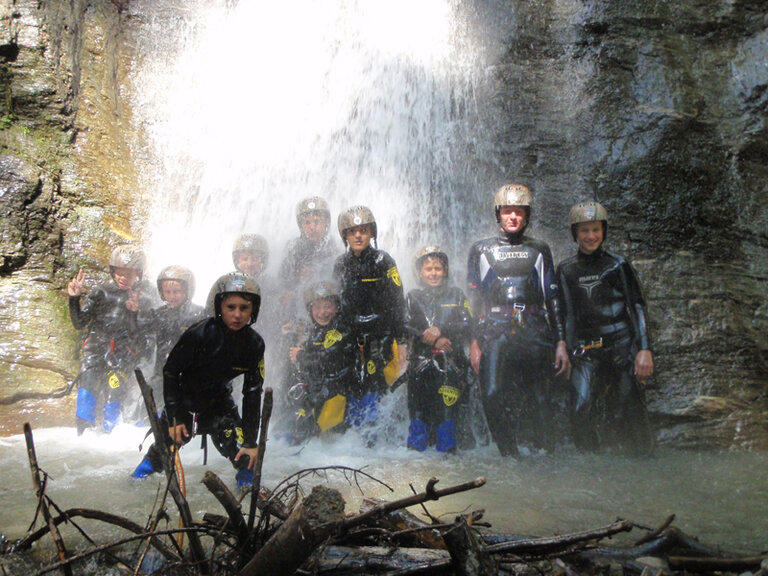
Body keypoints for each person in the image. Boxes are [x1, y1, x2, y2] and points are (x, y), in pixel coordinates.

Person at [132, 272, 265, 489]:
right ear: (219, 308)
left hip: (220, 406)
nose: (238, 315)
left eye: (244, 308)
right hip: (185, 406)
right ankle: (131, 489)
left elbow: (252, 393)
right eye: (231, 307)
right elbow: (171, 372)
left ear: (254, 310)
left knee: (246, 458)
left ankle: (248, 496)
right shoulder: (200, 334)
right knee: (157, 459)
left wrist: (251, 442)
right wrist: (174, 417)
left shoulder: (254, 344)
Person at [466, 184, 569, 456]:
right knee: (490, 393)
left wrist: (560, 342)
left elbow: (553, 297)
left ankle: (545, 452)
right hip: (494, 330)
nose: (513, 217)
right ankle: (508, 454)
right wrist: (473, 342)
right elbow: (474, 301)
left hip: (534, 328)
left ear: (527, 216)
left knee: (541, 396)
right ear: (498, 214)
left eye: (519, 212)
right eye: (508, 211)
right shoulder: (480, 250)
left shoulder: (539, 249)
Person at [556, 201, 654, 455]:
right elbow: (567, 315)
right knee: (579, 407)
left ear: (604, 231)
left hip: (621, 346)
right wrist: (564, 348)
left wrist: (644, 349)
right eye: (585, 231)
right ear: (575, 233)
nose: (591, 236)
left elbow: (637, 307)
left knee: (630, 407)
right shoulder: (566, 270)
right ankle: (590, 465)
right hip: (586, 349)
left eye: (596, 230)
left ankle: (644, 460)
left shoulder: (618, 265)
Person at [332, 205, 407, 438]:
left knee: (376, 381)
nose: (358, 235)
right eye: (352, 231)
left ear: (372, 233)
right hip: (351, 335)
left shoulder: (384, 260)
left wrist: (401, 339)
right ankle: (354, 433)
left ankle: (377, 434)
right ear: (344, 235)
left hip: (380, 333)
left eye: (363, 230)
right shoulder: (340, 264)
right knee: (353, 380)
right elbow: (336, 304)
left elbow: (397, 300)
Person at [68, 245, 155, 435]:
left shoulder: (145, 299)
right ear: (113, 271)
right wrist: (74, 299)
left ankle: (111, 436)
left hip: (124, 353)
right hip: (95, 347)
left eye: (129, 274)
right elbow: (79, 322)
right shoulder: (101, 292)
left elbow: (142, 335)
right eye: (120, 273)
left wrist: (134, 313)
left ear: (138, 274)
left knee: (115, 388)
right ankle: (82, 435)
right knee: (87, 388)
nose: (123, 278)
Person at [405, 245, 473, 453]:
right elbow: (404, 325)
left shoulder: (456, 295)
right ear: (419, 272)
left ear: (445, 271)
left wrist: (442, 332)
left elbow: (468, 322)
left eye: (438, 268)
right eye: (428, 269)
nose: (433, 273)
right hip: (420, 364)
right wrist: (429, 338)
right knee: (418, 413)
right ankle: (414, 460)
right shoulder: (412, 296)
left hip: (449, 363)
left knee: (447, 413)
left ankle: (447, 460)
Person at [285, 280, 358, 444]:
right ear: (310, 310)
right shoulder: (316, 330)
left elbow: (326, 360)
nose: (322, 312)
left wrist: (301, 355)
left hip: (337, 392)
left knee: (317, 436)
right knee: (292, 429)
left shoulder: (340, 330)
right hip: (318, 389)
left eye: (327, 307)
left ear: (337, 307)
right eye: (317, 307)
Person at [140, 265, 205, 409]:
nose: (172, 296)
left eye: (176, 292)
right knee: (147, 412)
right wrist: (133, 313)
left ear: (187, 291)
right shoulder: (158, 314)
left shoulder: (199, 314)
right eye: (167, 292)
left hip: (187, 377)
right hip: (161, 375)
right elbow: (139, 331)